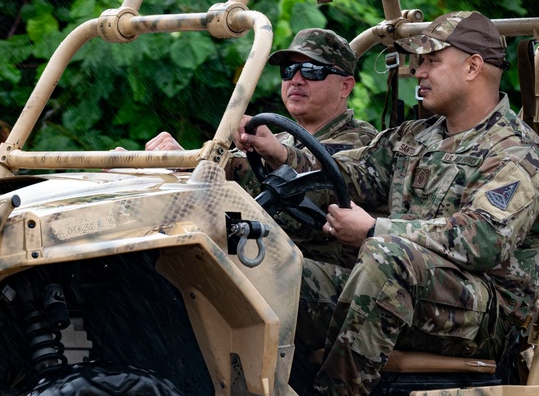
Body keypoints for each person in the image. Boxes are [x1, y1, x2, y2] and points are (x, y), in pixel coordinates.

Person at [237, 11, 539, 396]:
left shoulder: (517, 153)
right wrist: (280, 155)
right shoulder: (415, 136)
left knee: (386, 254)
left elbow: (482, 239)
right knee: (266, 267)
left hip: (483, 315)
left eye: (431, 61)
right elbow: (350, 173)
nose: (417, 72)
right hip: (398, 287)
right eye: (418, 62)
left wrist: (374, 230)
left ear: (473, 67)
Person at [147, 28, 376, 265]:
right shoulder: (283, 139)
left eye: (312, 71)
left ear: (345, 86)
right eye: (288, 70)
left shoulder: (363, 141)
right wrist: (183, 161)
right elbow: (231, 167)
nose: (296, 79)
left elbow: (330, 175)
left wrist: (277, 153)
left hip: (328, 273)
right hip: (268, 254)